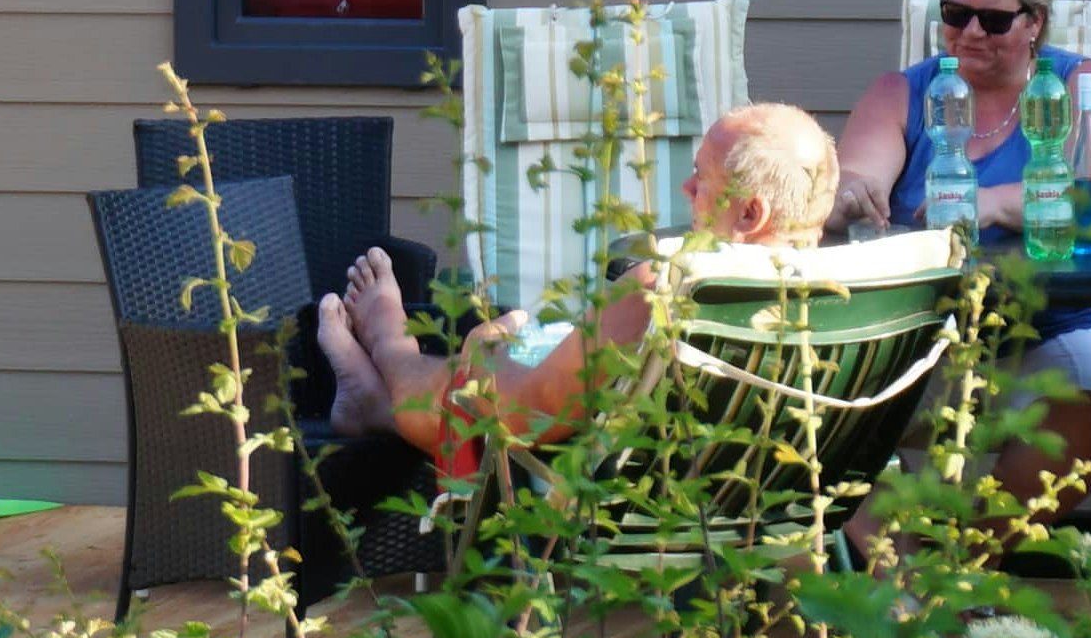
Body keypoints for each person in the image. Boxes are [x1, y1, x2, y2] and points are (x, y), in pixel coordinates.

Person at [313, 101, 849, 484]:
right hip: (770, 488)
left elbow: (524, 413)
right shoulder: (852, 293)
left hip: (630, 478)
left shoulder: (664, 290)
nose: (686, 190)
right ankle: (373, 406)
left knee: (469, 371)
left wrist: (484, 352)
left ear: (751, 213)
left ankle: (388, 348)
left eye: (699, 179)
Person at [836, 0, 1091, 507]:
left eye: (995, 19)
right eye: (956, 14)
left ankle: (966, 561)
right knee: (818, 404)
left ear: (1034, 21)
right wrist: (852, 192)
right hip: (922, 333)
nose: (971, 33)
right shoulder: (903, 93)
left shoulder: (1080, 85)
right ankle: (901, 577)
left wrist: (994, 201)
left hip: (1060, 323)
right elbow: (857, 177)